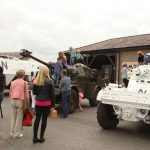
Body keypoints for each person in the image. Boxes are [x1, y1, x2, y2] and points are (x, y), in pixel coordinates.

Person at [33, 66, 55, 143]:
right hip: (47, 104)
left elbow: (34, 93)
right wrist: (53, 105)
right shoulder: (50, 81)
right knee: (44, 120)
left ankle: (35, 137)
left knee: (37, 119)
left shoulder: (36, 81)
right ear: (47, 72)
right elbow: (52, 94)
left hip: (38, 103)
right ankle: (41, 137)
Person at [9, 69, 29, 138]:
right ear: (23, 75)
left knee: (13, 117)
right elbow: (26, 94)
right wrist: (27, 102)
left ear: (17, 75)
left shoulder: (12, 82)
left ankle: (11, 132)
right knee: (19, 117)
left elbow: (10, 92)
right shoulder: (24, 83)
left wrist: (11, 98)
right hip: (20, 100)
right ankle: (16, 133)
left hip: (12, 100)